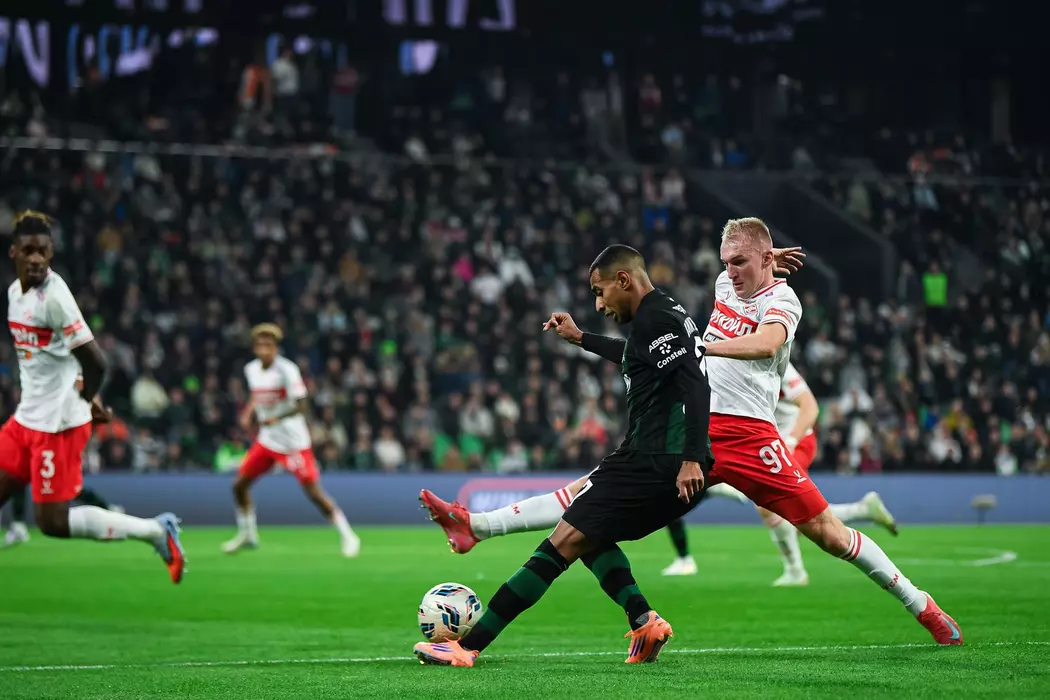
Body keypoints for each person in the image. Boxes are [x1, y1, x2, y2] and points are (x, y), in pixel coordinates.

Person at [413, 245, 712, 667]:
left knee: (561, 543)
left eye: (600, 292)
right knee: (589, 533)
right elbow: (635, 357)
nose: (599, 304)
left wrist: (691, 457)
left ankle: (467, 646)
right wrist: (581, 338)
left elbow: (696, 384)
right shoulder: (663, 314)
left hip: (653, 459)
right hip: (656, 458)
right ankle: (643, 621)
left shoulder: (656, 318)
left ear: (623, 280)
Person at [698, 217, 959, 644]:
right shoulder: (724, 284)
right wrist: (755, 263)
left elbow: (768, 346)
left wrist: (702, 347)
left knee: (827, 533)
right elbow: (738, 278)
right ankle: (641, 614)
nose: (730, 271)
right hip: (699, 431)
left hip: (756, 439)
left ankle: (921, 604)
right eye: (726, 262)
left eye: (739, 261)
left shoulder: (783, 301)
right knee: (619, 501)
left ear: (764, 258)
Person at [0, 211, 185, 583]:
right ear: (13, 252)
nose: (36, 258)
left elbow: (97, 362)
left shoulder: (55, 297)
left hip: (58, 425)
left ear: (51, 253)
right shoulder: (14, 294)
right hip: (27, 419)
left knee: (52, 523)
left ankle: (155, 530)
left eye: (43, 251)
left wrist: (87, 398)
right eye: (28, 250)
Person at [661, 361, 900, 582]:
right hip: (763, 443)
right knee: (790, 512)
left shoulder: (772, 359)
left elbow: (810, 406)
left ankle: (795, 570)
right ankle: (862, 510)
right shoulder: (727, 366)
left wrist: (792, 439)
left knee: (776, 507)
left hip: (792, 440)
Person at [223, 323, 360, 557]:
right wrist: (248, 412)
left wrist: (276, 418)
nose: (265, 349)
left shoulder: (287, 370)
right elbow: (257, 394)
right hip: (267, 440)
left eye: (269, 345)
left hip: (292, 442)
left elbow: (302, 404)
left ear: (276, 347)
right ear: (255, 348)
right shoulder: (251, 369)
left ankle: (348, 535)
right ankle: (248, 534)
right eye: (260, 345)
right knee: (239, 485)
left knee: (313, 492)